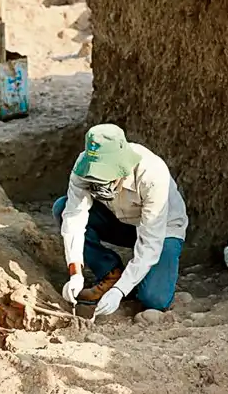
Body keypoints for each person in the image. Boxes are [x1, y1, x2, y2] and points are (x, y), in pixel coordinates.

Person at [53, 124, 189, 318]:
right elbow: (74, 218)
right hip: (119, 221)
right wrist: (75, 273)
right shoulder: (83, 166)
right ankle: (110, 273)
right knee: (62, 208)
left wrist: (120, 291)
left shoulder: (152, 175)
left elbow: (151, 242)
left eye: (105, 178)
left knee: (154, 300)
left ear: (122, 169)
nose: (99, 185)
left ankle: (127, 283)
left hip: (161, 229)